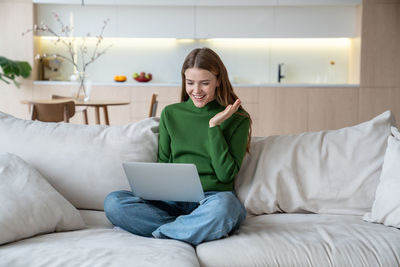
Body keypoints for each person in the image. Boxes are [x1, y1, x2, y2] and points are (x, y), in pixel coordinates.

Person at [104, 47, 252, 246]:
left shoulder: (238, 119)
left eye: (205, 83)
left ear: (218, 81)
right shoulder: (171, 114)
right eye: (190, 83)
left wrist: (214, 127)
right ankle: (190, 229)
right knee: (114, 202)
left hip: (211, 201)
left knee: (227, 208)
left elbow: (226, 175)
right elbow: (163, 164)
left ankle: (164, 233)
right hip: (171, 201)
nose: (196, 91)